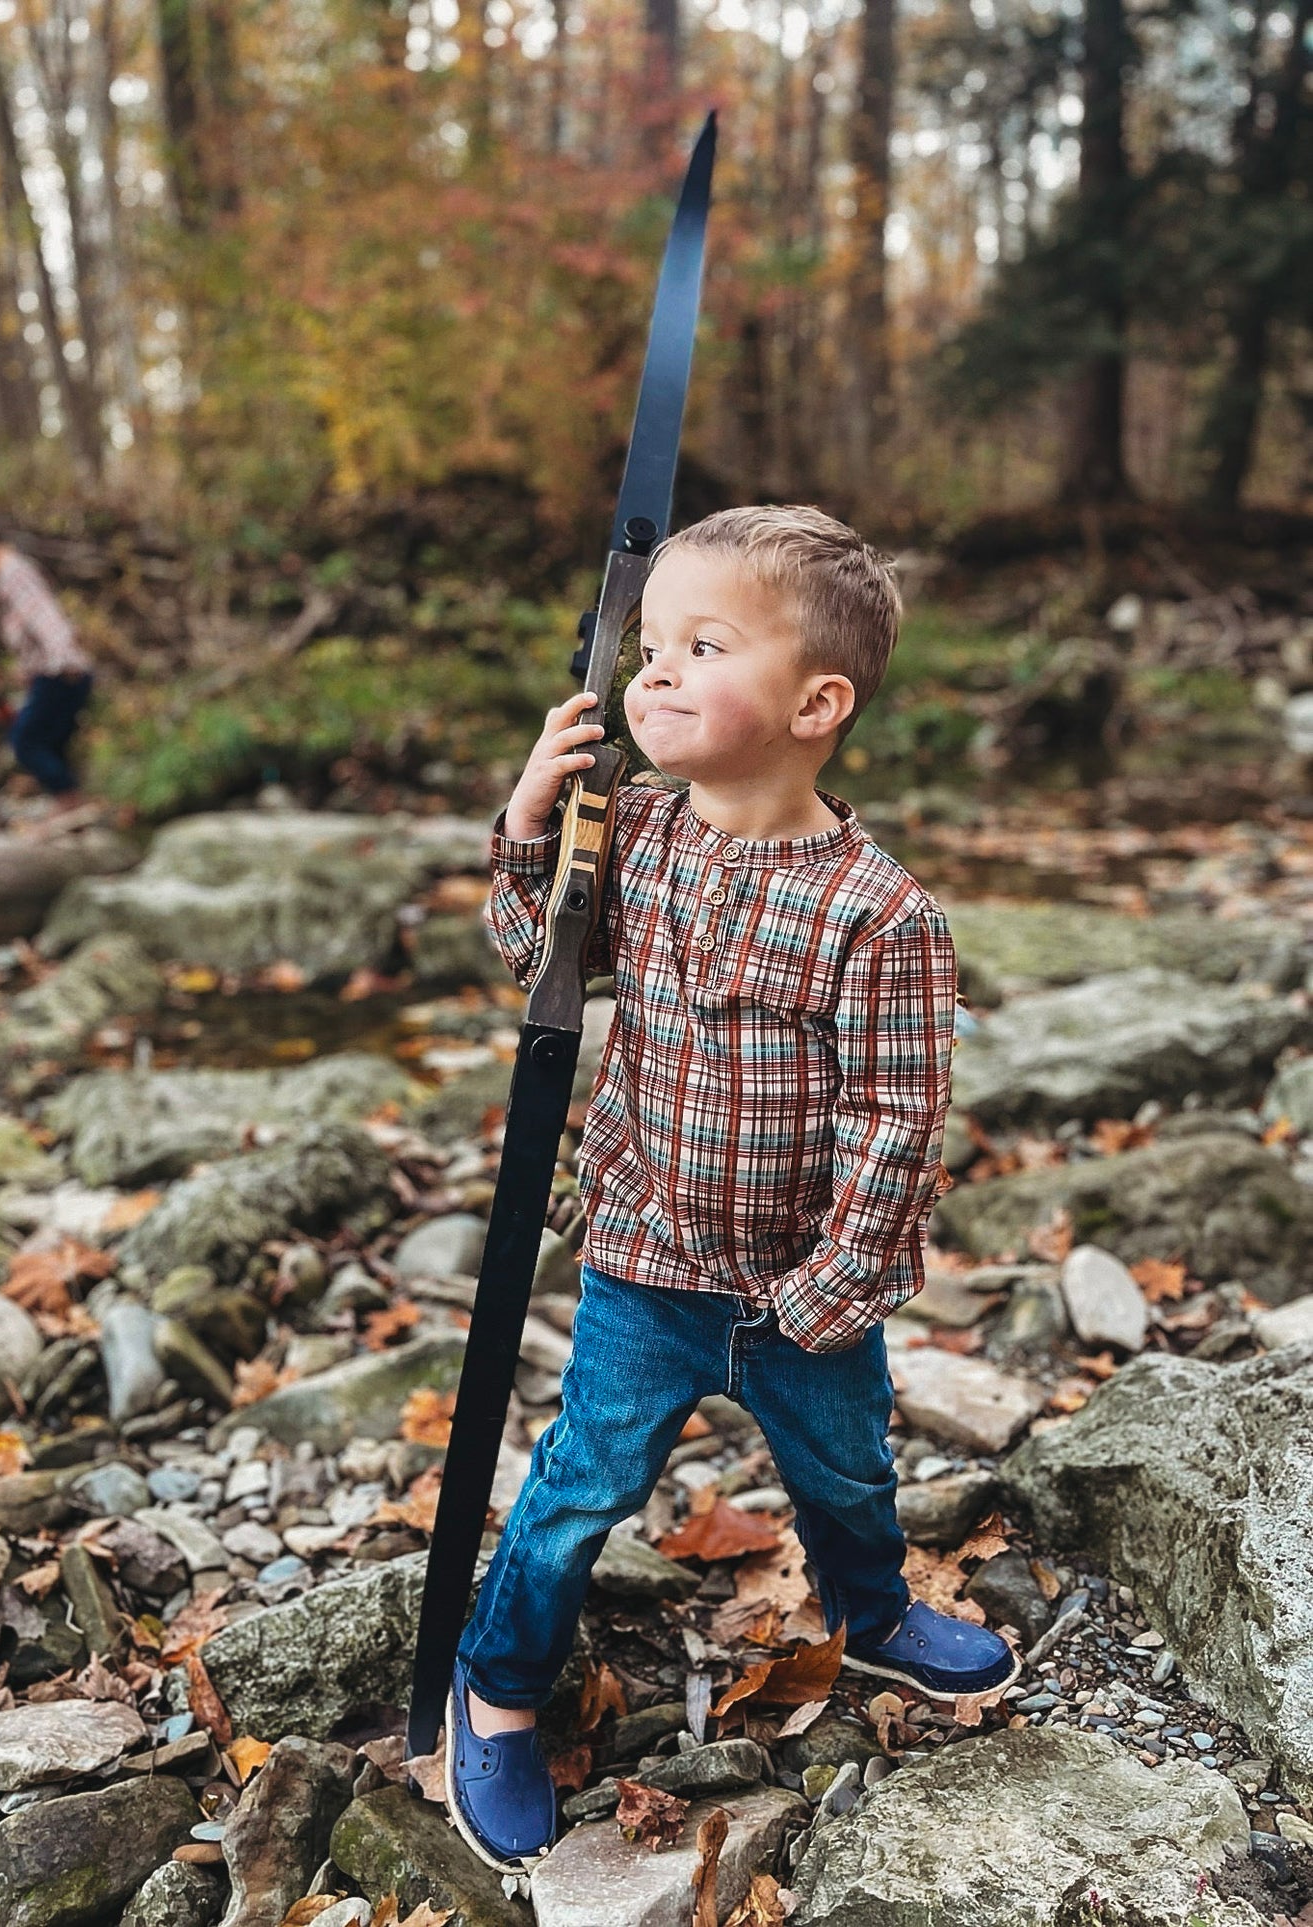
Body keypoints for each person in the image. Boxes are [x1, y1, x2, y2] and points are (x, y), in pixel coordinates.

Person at [444, 505, 1016, 1874]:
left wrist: (831, 1286)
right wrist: (531, 815)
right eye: (649, 645)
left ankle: (871, 1610)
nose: (652, 673)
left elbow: (896, 1119)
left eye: (701, 644)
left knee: (846, 1467)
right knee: (582, 1484)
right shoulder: (630, 832)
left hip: (797, 1283)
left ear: (817, 703)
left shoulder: (880, 911)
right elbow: (539, 956)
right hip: (645, 1260)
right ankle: (498, 1686)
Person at [0, 511, 94, 806]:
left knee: (26, 741)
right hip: (53, 673)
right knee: (50, 743)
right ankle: (69, 805)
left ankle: (70, 800)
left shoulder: (15, 574)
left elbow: (48, 621)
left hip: (62, 673)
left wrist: (64, 661)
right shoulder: (6, 580)